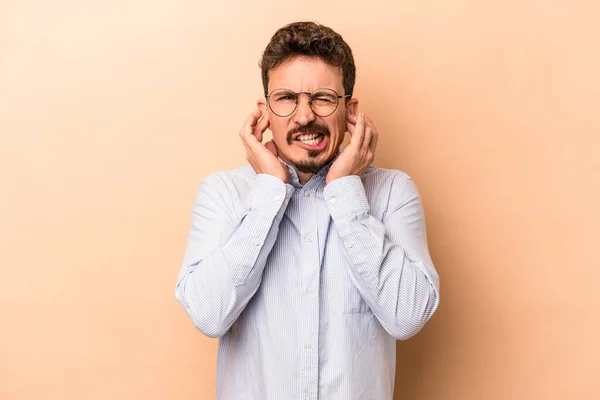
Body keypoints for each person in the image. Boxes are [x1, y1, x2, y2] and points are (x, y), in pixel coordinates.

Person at [175, 21, 440, 400]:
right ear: (264, 111)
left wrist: (346, 190)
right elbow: (209, 315)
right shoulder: (223, 194)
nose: (304, 116)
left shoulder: (392, 192)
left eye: (322, 98)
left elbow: (407, 316)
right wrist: (270, 191)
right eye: (286, 98)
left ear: (350, 110)